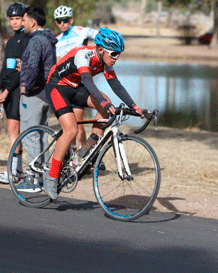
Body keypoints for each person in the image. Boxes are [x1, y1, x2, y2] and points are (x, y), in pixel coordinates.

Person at [43, 28, 146, 199]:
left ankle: (88, 147)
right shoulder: (83, 55)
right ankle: (51, 176)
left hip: (75, 87)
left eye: (119, 54)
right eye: (114, 54)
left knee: (106, 103)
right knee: (71, 130)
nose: (116, 58)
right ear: (100, 50)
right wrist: (104, 103)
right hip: (57, 86)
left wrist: (135, 107)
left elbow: (116, 85)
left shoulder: (106, 62)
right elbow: (89, 82)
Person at [15, 5, 57, 192]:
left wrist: (25, 86)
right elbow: (40, 66)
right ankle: (44, 177)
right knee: (42, 136)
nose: (22, 23)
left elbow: (33, 69)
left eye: (24, 20)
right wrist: (25, 68)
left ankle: (32, 179)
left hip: (35, 95)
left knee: (30, 135)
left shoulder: (35, 41)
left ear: (32, 22)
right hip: (48, 94)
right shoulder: (48, 40)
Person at [53, 5, 99, 152]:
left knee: (78, 126)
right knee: (70, 127)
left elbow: (101, 37)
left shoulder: (81, 31)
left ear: (71, 19)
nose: (62, 23)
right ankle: (73, 158)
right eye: (58, 21)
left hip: (80, 83)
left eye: (65, 20)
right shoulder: (57, 40)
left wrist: (95, 57)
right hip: (64, 85)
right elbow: (58, 63)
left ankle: (86, 152)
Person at [0, 2, 29, 184]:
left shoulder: (26, 40)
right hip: (7, 89)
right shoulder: (11, 40)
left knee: (13, 132)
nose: (15, 22)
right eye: (12, 19)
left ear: (24, 20)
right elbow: (5, 66)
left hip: (17, 91)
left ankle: (14, 171)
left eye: (18, 19)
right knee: (12, 132)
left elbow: (20, 71)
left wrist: (7, 91)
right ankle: (18, 170)